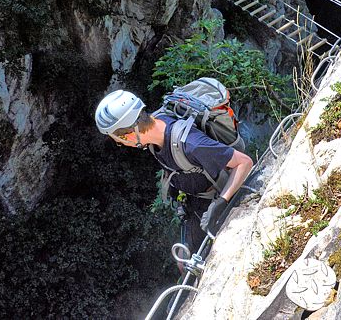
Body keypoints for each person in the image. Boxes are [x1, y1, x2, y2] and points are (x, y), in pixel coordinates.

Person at [95, 89, 253, 252]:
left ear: (127, 136)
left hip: (215, 201)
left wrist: (220, 203)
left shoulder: (192, 144)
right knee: (184, 262)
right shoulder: (156, 127)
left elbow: (244, 163)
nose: (121, 145)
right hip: (194, 206)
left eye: (118, 142)